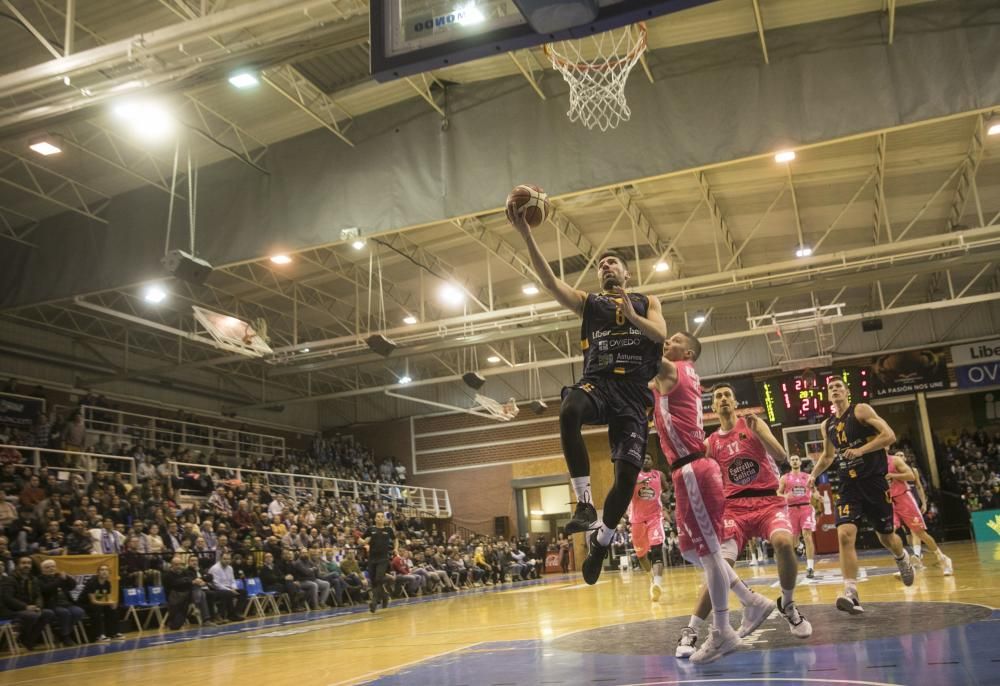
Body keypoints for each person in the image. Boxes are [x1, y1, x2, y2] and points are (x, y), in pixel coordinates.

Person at [649, 334, 767, 665]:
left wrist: (626, 310)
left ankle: (722, 630)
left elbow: (646, 347)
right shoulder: (668, 377)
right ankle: (748, 598)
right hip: (685, 471)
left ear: (687, 353)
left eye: (672, 340)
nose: (665, 341)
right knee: (690, 550)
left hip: (693, 470)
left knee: (710, 552)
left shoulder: (678, 370)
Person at [677, 383, 812, 661]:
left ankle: (787, 605)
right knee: (718, 566)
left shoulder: (751, 425)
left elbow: (780, 456)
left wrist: (761, 430)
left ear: (735, 402)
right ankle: (692, 629)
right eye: (718, 397)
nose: (723, 399)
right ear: (712, 408)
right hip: (732, 509)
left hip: (766, 501)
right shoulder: (710, 442)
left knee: (784, 543)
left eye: (727, 395)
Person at [808, 378, 915, 616]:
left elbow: (889, 436)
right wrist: (813, 475)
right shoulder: (826, 425)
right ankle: (851, 592)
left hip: (874, 481)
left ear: (847, 391)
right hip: (849, 485)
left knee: (887, 537)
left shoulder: (861, 410)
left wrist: (861, 450)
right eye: (830, 388)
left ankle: (901, 556)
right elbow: (827, 457)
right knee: (845, 535)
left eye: (838, 387)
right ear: (828, 397)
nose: (834, 390)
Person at [887, 451, 953, 576]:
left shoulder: (895, 461)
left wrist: (924, 502)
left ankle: (943, 559)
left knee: (919, 532)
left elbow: (913, 479)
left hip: (905, 498)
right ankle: (906, 564)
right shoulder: (873, 463)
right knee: (889, 532)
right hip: (889, 500)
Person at [627, 454, 669, 601]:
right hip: (637, 521)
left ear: (653, 462)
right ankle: (652, 580)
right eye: (643, 458)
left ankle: (658, 583)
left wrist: (665, 496)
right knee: (641, 556)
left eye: (649, 458)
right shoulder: (633, 476)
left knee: (657, 551)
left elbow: (667, 488)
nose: (646, 460)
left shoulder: (659, 475)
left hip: (655, 519)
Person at [1, 556, 55, 650]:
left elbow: (38, 596)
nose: (27, 565)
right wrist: (25, 607)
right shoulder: (10, 579)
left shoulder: (33, 579)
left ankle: (29, 640)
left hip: (30, 609)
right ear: (17, 565)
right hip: (11, 610)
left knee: (48, 613)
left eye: (29, 563)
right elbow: (8, 599)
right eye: (23, 563)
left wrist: (38, 606)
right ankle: (22, 639)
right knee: (31, 615)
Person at [778, 454, 819, 578]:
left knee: (807, 535)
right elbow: (778, 493)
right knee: (794, 541)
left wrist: (818, 496)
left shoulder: (807, 477)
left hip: (806, 507)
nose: (795, 461)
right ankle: (799, 546)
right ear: (790, 463)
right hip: (791, 510)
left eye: (797, 459)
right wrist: (785, 496)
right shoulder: (784, 478)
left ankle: (810, 567)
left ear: (800, 462)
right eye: (793, 460)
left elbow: (814, 490)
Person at [39, 559, 86, 646]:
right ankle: (65, 637)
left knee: (79, 611)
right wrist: (60, 580)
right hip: (53, 605)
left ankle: (62, 633)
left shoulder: (59, 576)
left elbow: (73, 585)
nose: (51, 569)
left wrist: (67, 578)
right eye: (47, 567)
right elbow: (47, 589)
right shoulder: (40, 579)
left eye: (53, 566)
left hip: (67, 603)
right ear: (42, 570)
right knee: (65, 613)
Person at [363, 511, 396, 613]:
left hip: (383, 559)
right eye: (378, 516)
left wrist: (396, 548)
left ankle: (374, 602)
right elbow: (363, 540)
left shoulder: (388, 530)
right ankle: (384, 596)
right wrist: (364, 544)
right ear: (375, 519)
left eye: (382, 517)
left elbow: (396, 539)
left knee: (378, 578)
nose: (380, 518)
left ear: (384, 519)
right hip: (372, 559)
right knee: (374, 582)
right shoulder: (371, 529)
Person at [81, 563, 124, 641]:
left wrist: (113, 603)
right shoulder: (92, 583)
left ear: (109, 573)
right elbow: (93, 601)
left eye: (106, 570)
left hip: (97, 603)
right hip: (85, 604)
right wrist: (108, 603)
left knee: (112, 609)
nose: (104, 571)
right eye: (102, 570)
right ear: (98, 572)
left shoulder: (107, 583)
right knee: (96, 609)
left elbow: (108, 599)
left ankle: (114, 632)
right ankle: (99, 635)